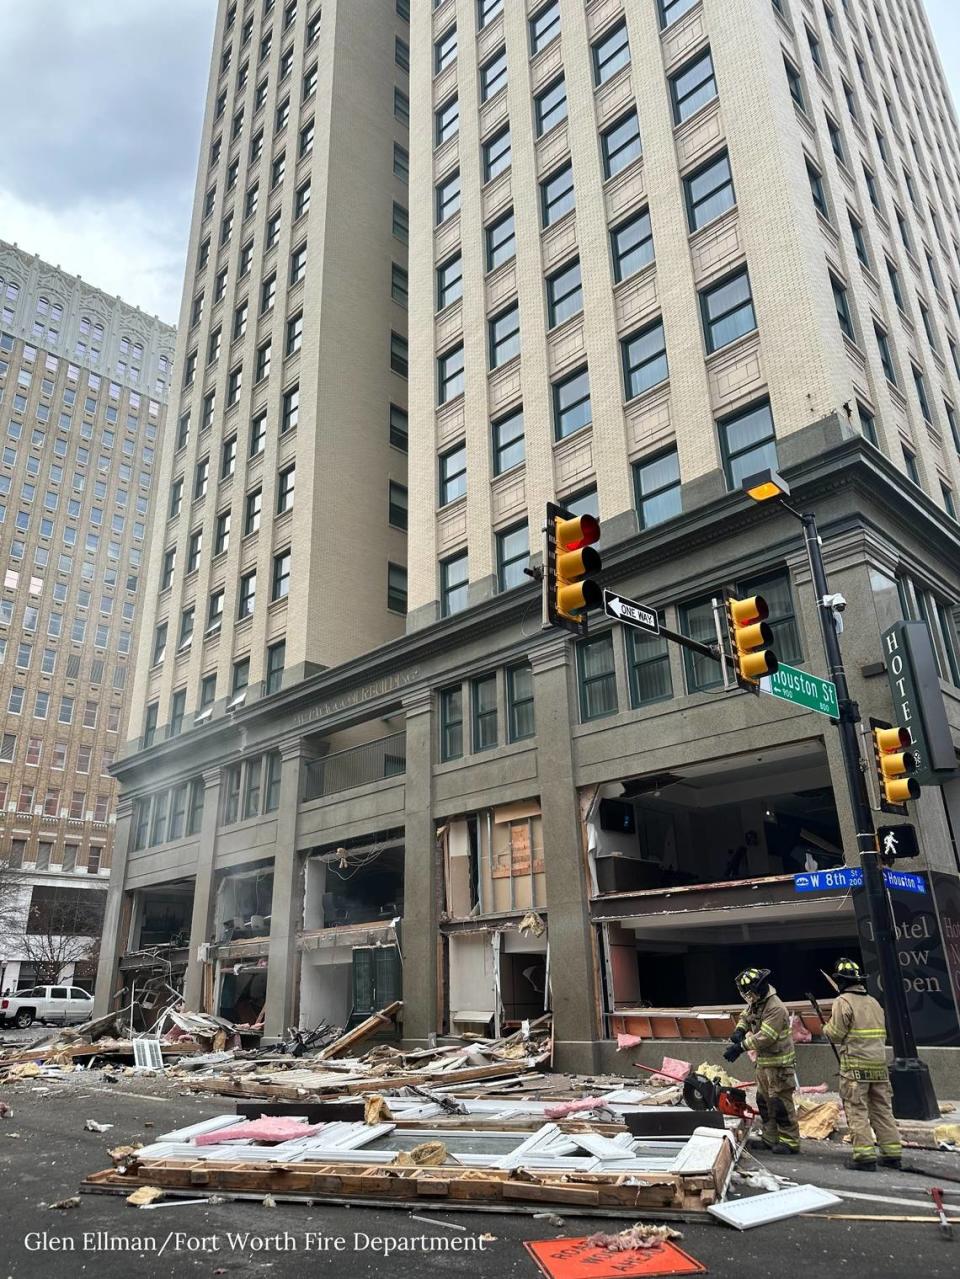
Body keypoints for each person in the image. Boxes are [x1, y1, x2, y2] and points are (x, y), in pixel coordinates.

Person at [821, 958, 901, 1171]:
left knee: (857, 1110)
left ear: (841, 981)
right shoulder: (874, 1002)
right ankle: (892, 1154)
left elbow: (836, 1034)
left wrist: (825, 1028)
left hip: (855, 1068)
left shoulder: (843, 1002)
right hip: (879, 1067)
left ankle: (864, 1156)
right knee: (882, 1110)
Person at [724, 966, 800, 1154]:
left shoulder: (775, 1007)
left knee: (781, 1104)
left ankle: (790, 1141)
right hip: (764, 1064)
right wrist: (739, 1031)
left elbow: (767, 1036)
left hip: (779, 1065)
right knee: (764, 1102)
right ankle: (770, 1138)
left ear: (757, 989)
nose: (747, 997)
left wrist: (740, 1047)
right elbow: (745, 1016)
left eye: (748, 993)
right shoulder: (757, 1003)